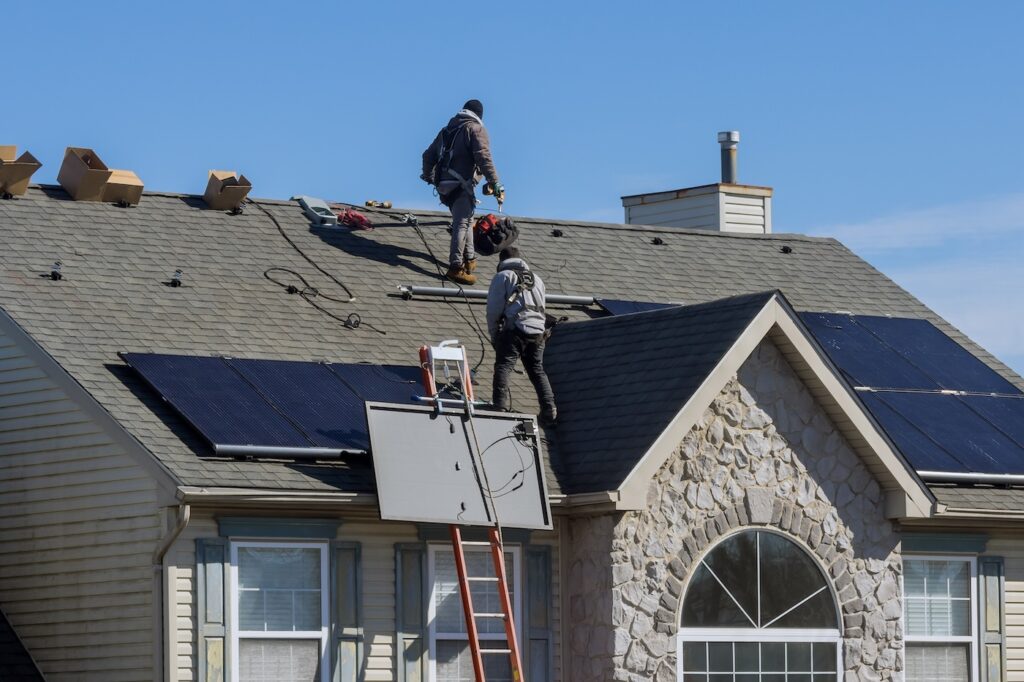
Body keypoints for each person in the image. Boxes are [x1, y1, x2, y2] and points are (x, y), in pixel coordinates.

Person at [421, 99, 505, 285]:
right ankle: (456, 267)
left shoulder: (446, 130)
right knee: (461, 223)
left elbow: (428, 155)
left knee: (467, 220)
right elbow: (483, 157)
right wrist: (495, 183)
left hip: (444, 187)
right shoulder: (475, 129)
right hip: (461, 185)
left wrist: (428, 175)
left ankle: (469, 259)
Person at [486, 247, 557, 426]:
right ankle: (549, 409)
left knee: (503, 366)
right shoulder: (537, 280)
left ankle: (499, 407)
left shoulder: (503, 277)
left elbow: (493, 310)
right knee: (537, 369)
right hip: (538, 332)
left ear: (501, 262)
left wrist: (495, 336)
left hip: (516, 329)